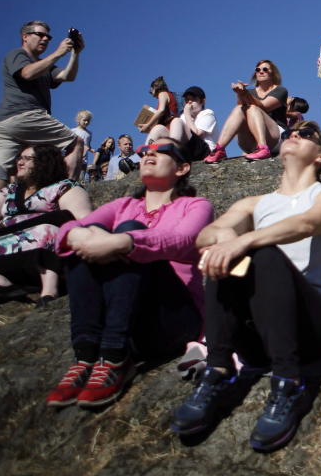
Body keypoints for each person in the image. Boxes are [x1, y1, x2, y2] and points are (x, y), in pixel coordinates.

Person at [173, 120, 321, 451]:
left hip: (312, 326)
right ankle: (219, 370)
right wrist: (225, 238)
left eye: (307, 134)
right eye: (290, 133)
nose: (294, 134)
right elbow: (205, 236)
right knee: (221, 252)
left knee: (261, 253)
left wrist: (244, 241)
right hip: (260, 332)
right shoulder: (253, 204)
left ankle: (288, 383)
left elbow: (308, 223)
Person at [45, 139, 213, 409]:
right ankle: (87, 356)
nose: (149, 154)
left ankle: (114, 355)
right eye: (146, 151)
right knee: (83, 241)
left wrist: (125, 241)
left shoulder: (195, 205)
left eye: (162, 151)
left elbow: (183, 239)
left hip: (173, 318)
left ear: (182, 168)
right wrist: (83, 235)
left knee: (128, 231)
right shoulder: (123, 204)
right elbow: (68, 231)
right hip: (126, 316)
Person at [0, 145, 91, 304]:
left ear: (45, 162)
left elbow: (81, 219)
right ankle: (2, 285)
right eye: (19, 158)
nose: (20, 163)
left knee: (48, 228)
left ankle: (49, 292)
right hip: (8, 245)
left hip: (47, 249)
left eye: (27, 159)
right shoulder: (9, 190)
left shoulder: (64, 187)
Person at [0, 20, 85, 178]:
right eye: (40, 34)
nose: (45, 39)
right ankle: (66, 191)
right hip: (24, 116)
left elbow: (67, 76)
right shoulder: (17, 54)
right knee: (76, 143)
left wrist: (75, 53)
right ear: (25, 37)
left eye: (48, 36)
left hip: (2, 125)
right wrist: (58, 53)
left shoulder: (45, 65)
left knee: (3, 175)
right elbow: (27, 73)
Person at [204, 60, 288, 163]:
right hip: (250, 142)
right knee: (239, 108)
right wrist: (240, 94)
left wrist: (245, 94)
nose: (261, 72)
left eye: (265, 69)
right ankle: (219, 149)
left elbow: (264, 107)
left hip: (276, 139)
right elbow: (241, 111)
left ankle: (263, 148)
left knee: (252, 108)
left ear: (273, 73)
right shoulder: (251, 92)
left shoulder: (280, 90)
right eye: (258, 70)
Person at [149, 87, 219, 161]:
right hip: (188, 151)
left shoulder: (207, 113)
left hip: (207, 152)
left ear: (202, 101)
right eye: (187, 100)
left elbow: (197, 133)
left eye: (193, 99)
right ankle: (145, 155)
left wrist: (187, 114)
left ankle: (172, 154)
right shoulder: (183, 116)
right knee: (158, 129)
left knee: (177, 121)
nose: (189, 102)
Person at [71, 111, 95, 178]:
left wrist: (91, 149)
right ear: (78, 120)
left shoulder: (89, 133)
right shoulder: (73, 131)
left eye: (88, 121)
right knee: (72, 176)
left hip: (84, 160)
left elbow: (88, 144)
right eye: (84, 120)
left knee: (81, 177)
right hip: (74, 157)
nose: (86, 122)